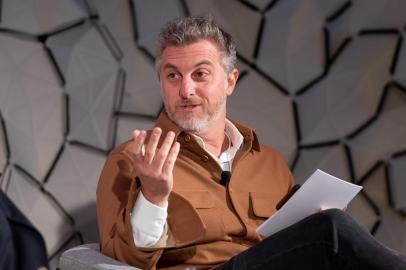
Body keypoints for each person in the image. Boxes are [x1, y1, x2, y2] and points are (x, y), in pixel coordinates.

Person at [96, 15, 406, 270]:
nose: (186, 89)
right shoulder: (131, 159)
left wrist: (306, 227)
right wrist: (153, 197)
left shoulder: (268, 162)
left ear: (230, 81)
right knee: (332, 230)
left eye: (200, 74)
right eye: (173, 76)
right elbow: (120, 261)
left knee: (326, 229)